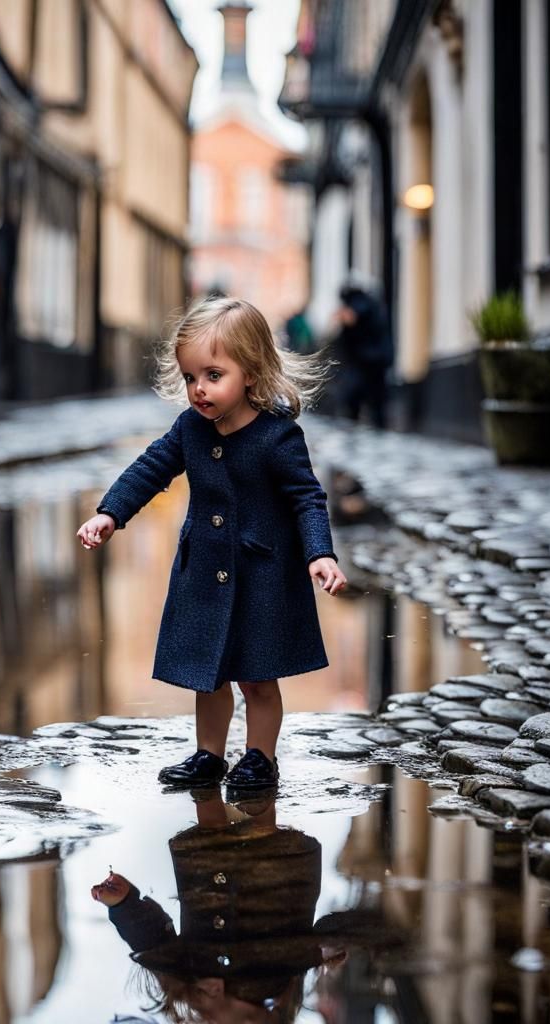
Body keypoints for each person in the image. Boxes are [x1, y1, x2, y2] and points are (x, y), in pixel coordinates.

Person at [75, 296, 347, 793]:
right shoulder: (189, 429)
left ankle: (259, 758)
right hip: (204, 572)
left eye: (213, 376)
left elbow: (308, 498)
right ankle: (209, 755)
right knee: (210, 674)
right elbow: (151, 468)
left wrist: (319, 553)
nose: (198, 390)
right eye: (189, 378)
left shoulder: (277, 437)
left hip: (263, 576)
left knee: (259, 677)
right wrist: (110, 512)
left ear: (251, 371)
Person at [90, 792, 346, 1023]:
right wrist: (333, 943)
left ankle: (209, 764)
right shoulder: (280, 984)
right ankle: (258, 762)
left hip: (209, 868)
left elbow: (155, 944)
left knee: (209, 808)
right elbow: (322, 938)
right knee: (259, 807)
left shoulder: (193, 989)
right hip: (273, 868)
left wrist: (124, 905)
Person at [329, 284, 393, 428]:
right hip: (367, 360)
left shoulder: (361, 303)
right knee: (370, 398)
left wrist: (342, 316)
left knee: (366, 397)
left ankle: (373, 426)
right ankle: (374, 425)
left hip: (370, 360)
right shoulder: (370, 303)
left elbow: (353, 316)